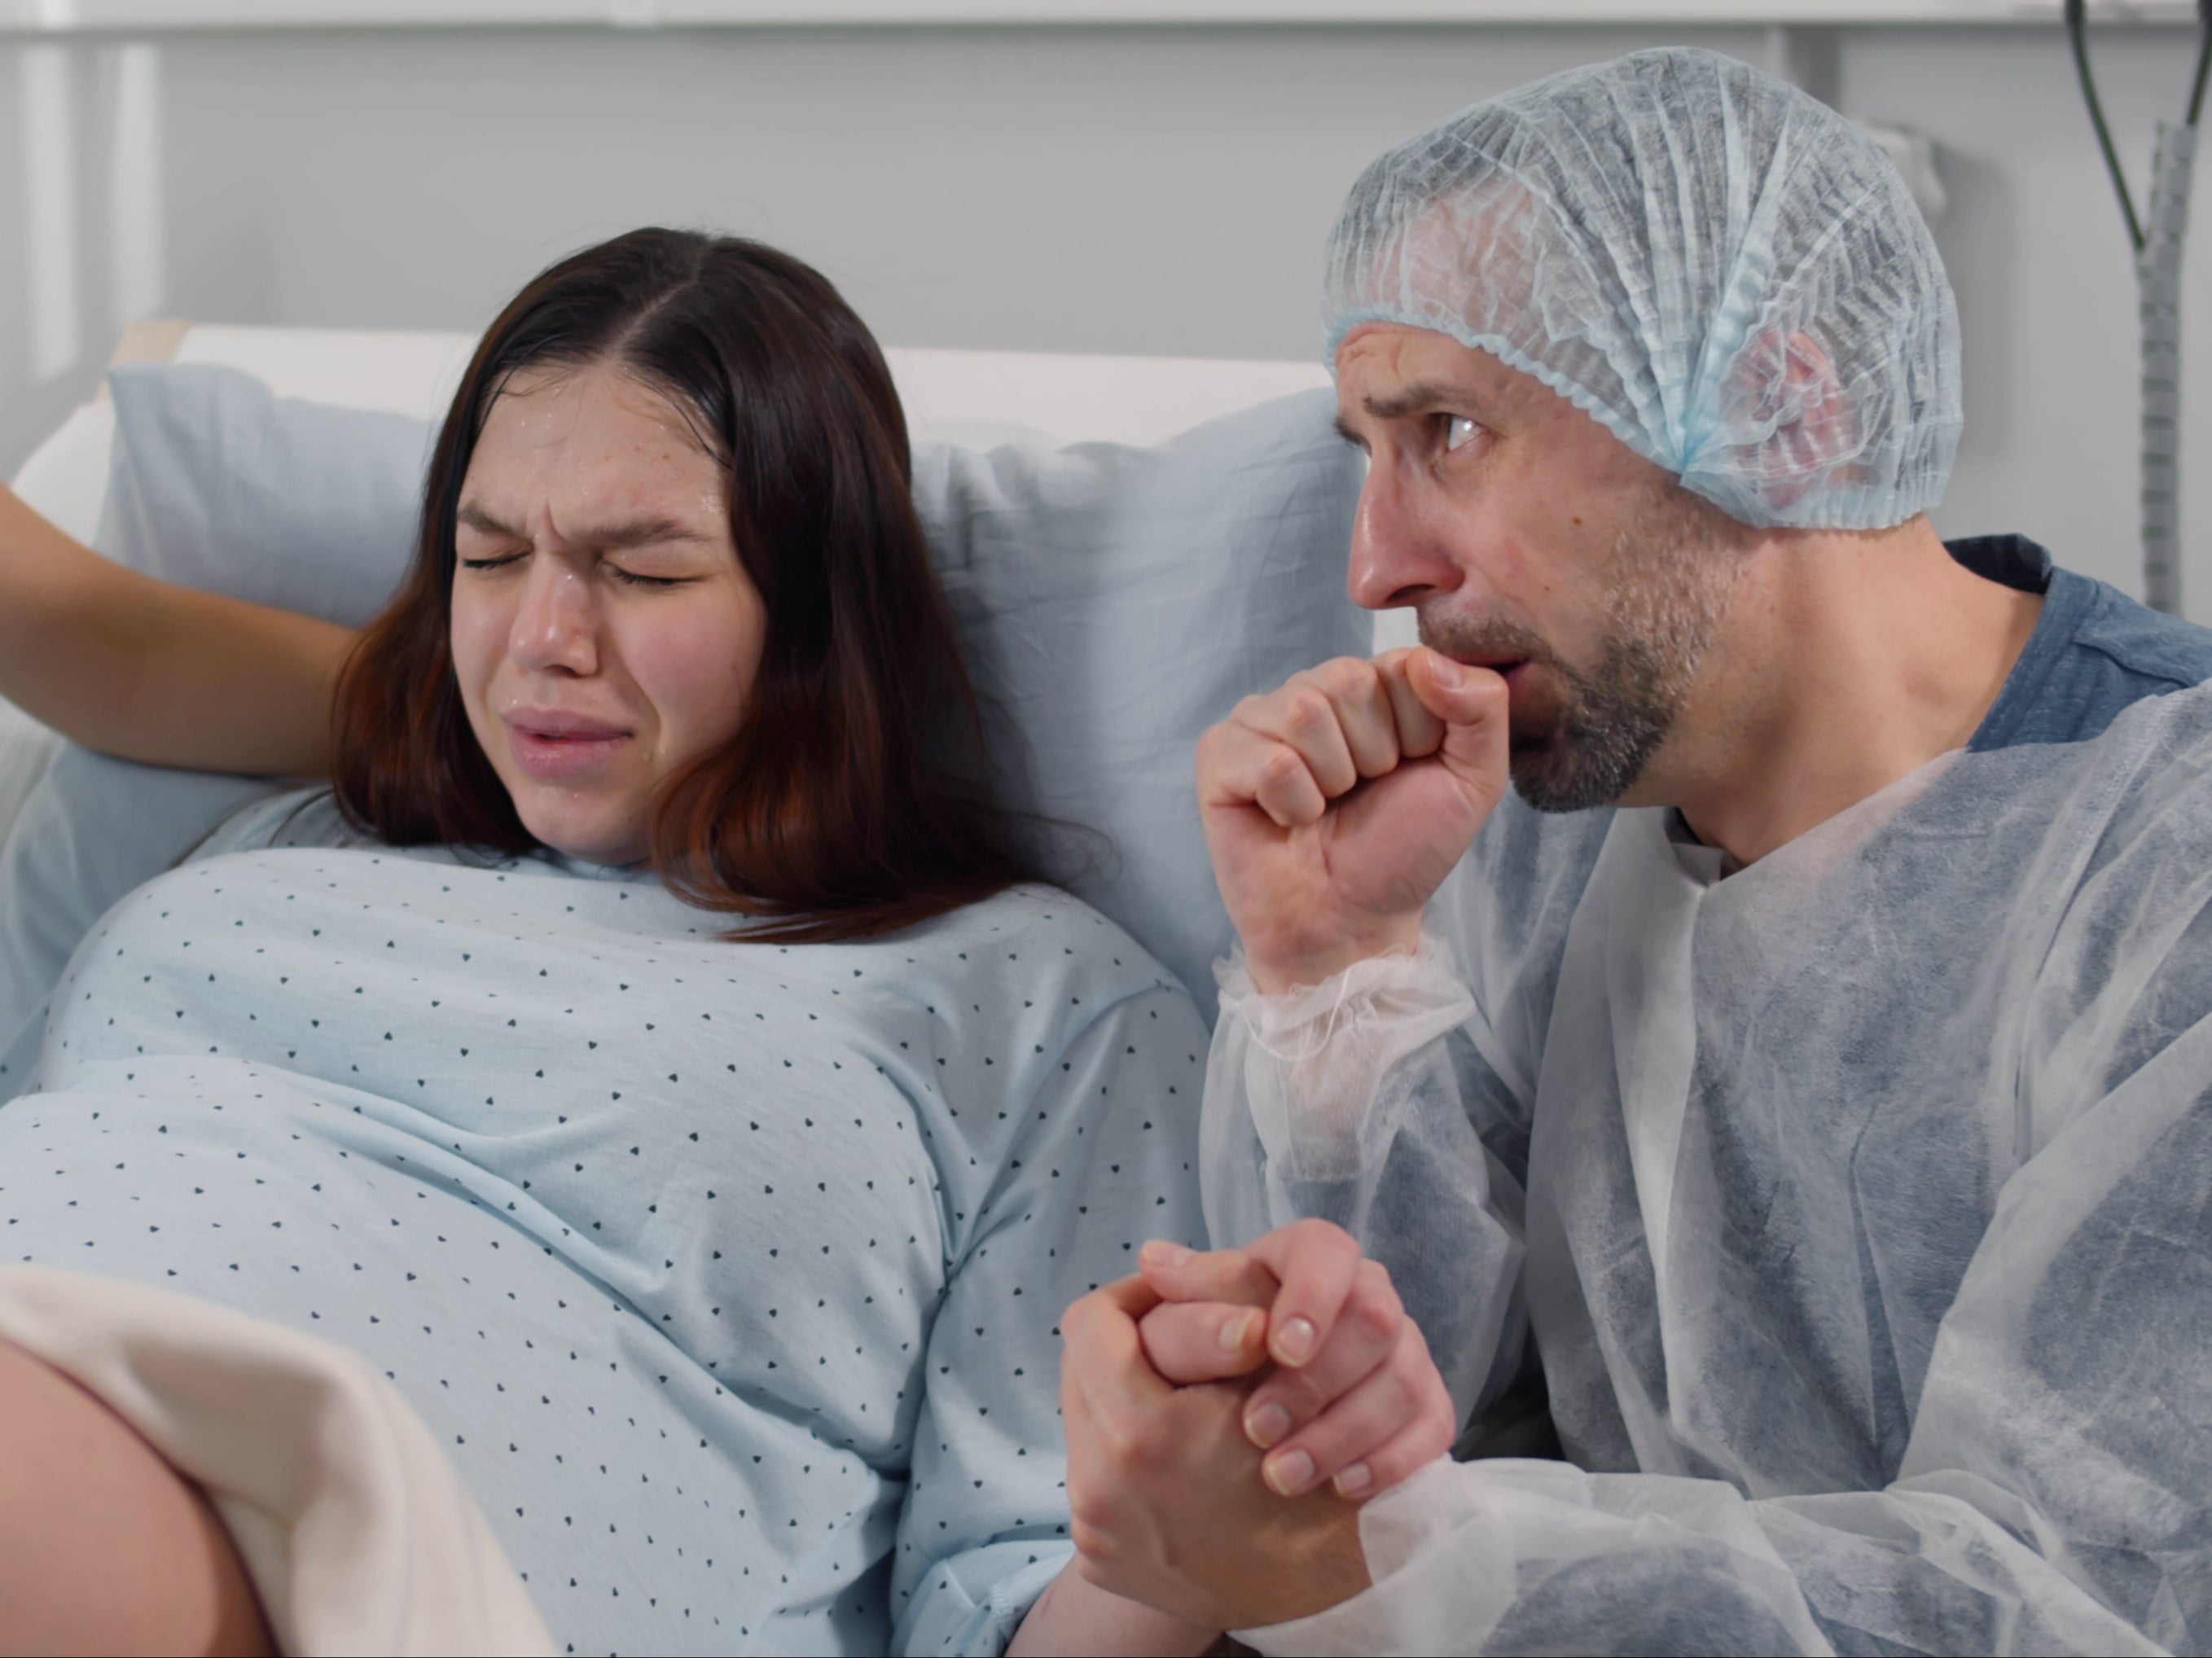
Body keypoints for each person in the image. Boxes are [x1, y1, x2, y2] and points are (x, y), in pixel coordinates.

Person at [0, 226, 1305, 1657]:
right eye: (489, 556)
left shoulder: (1037, 997)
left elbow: (1022, 1593)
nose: (540, 639)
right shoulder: (296, 833)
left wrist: (1191, 1558)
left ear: (816, 614)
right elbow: (108, 645)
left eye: (647, 572)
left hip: (313, 1522)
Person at [1053, 47, 2212, 1655]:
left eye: (1443, 432)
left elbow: (2081, 1603)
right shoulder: (1550, 816)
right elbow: (1405, 1433)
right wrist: (1334, 976)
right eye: (1361, 454)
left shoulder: (2170, 871)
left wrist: (1362, 1576)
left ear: (1782, 414)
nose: (1373, 563)